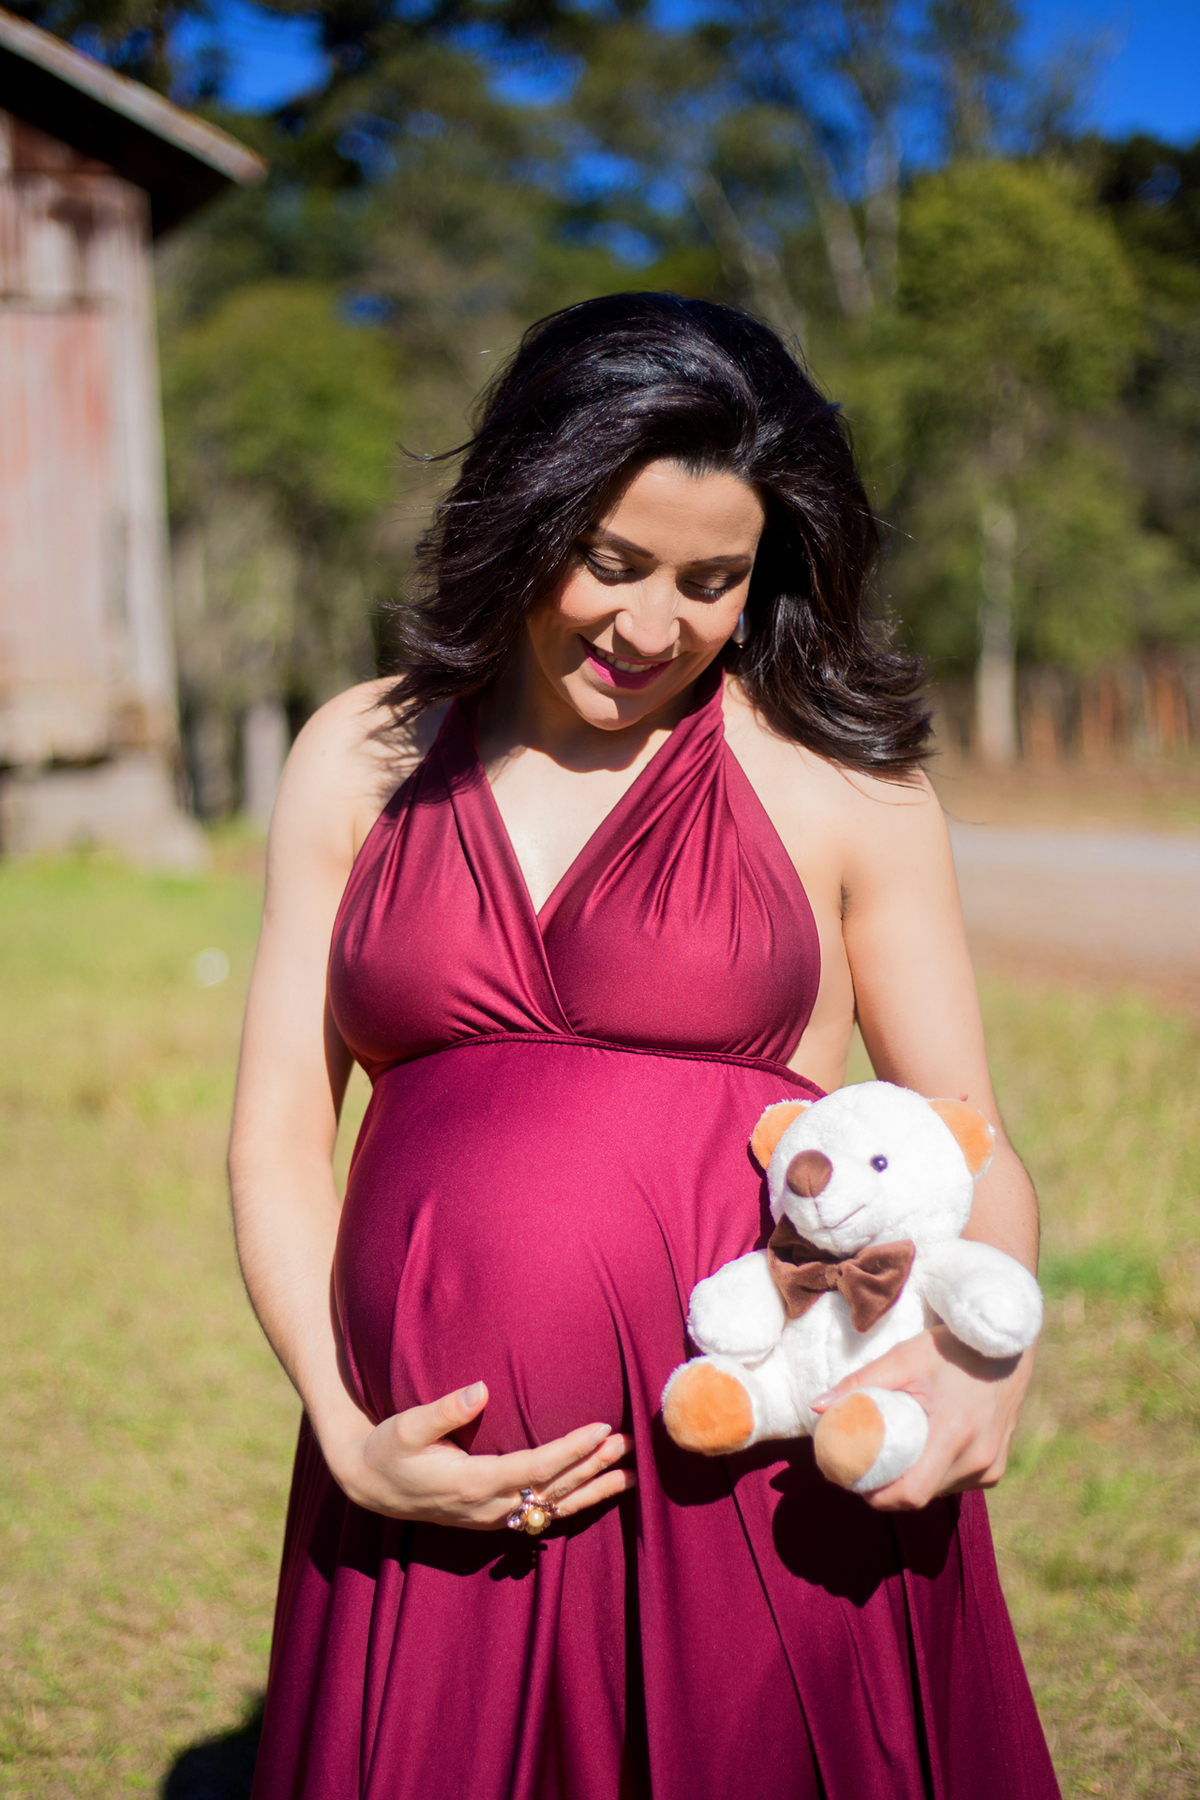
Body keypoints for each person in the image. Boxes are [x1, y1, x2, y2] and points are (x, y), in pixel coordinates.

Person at [231, 292, 1060, 1800]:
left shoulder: (843, 794)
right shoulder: (363, 754)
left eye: (711, 579)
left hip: (750, 1501)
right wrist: (348, 1433)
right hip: (433, 1493)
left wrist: (977, 1361)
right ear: (523, 514)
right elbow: (286, 1124)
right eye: (609, 562)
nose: (649, 624)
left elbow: (966, 1140)